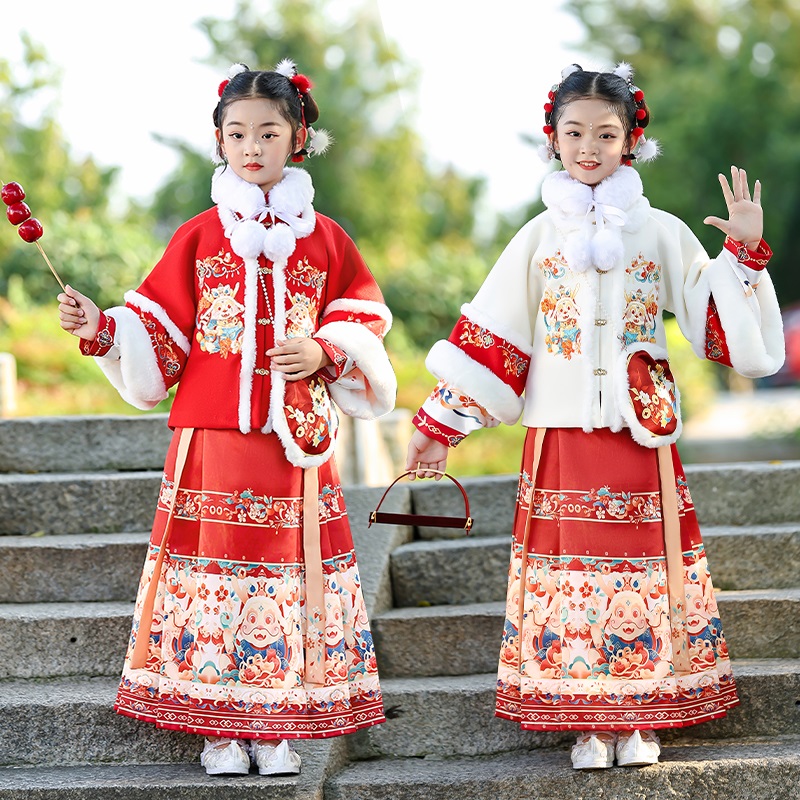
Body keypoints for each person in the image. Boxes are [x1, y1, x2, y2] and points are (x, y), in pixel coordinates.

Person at [405, 63, 784, 769]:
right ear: (551, 139)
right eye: (573, 131)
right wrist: (440, 426)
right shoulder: (537, 237)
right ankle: (588, 721)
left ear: (631, 140)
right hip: (562, 438)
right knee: (570, 577)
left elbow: (715, 325)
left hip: (641, 435)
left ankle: (638, 717)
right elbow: (498, 338)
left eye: (605, 133)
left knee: (642, 574)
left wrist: (743, 254)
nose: (588, 146)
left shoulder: (661, 230)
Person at [58, 60, 396, 777]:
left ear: (298, 136)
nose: (252, 145)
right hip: (211, 437)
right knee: (214, 576)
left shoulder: (327, 239)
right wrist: (101, 327)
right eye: (237, 132)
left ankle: (273, 728)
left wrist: (325, 349)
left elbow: (362, 317)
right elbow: (158, 328)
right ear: (218, 140)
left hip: (291, 444)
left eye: (268, 132)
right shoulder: (198, 235)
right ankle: (219, 730)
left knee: (282, 578)